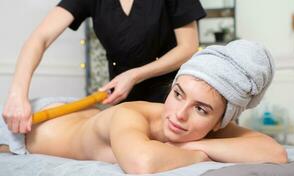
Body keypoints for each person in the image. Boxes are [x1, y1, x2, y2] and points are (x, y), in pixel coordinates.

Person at [0, 40, 288, 174]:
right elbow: (143, 162)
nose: (179, 114)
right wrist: (200, 154)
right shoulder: (129, 114)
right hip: (31, 128)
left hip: (80, 116)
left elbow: (274, 153)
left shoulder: (209, 127)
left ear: (220, 123)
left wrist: (192, 148)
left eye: (200, 109)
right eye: (177, 94)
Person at [2, 0, 206, 134]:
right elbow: (40, 38)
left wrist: (134, 75)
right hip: (124, 105)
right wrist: (17, 95)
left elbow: (188, 47)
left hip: (170, 100)